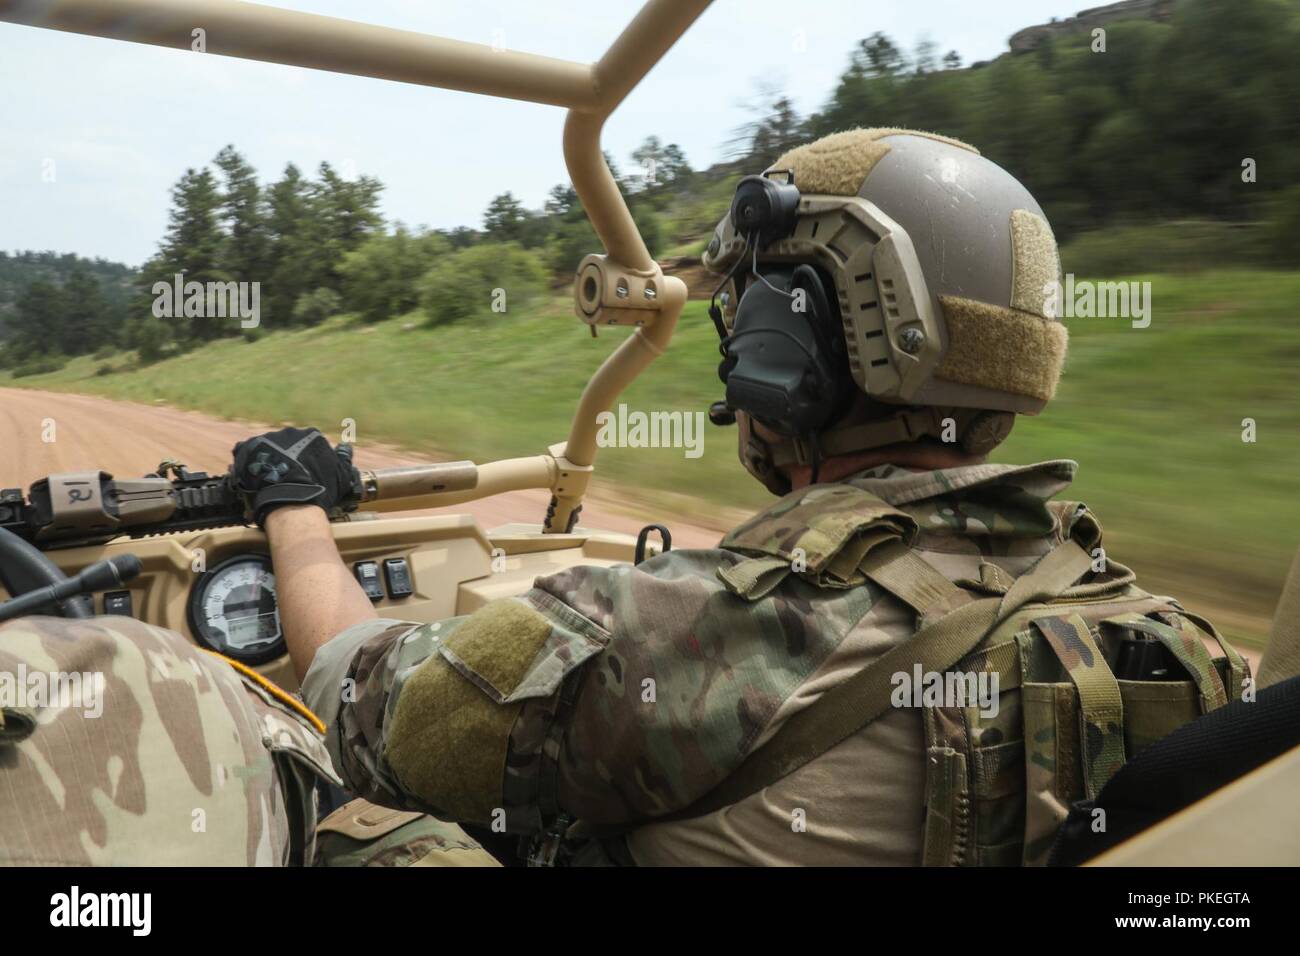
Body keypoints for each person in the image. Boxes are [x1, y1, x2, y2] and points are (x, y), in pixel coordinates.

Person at [177, 130, 1264, 866]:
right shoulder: (1184, 650)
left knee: (351, 816)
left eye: (744, 312)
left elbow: (358, 696)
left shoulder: (685, 632)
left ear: (785, 343)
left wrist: (294, 509)